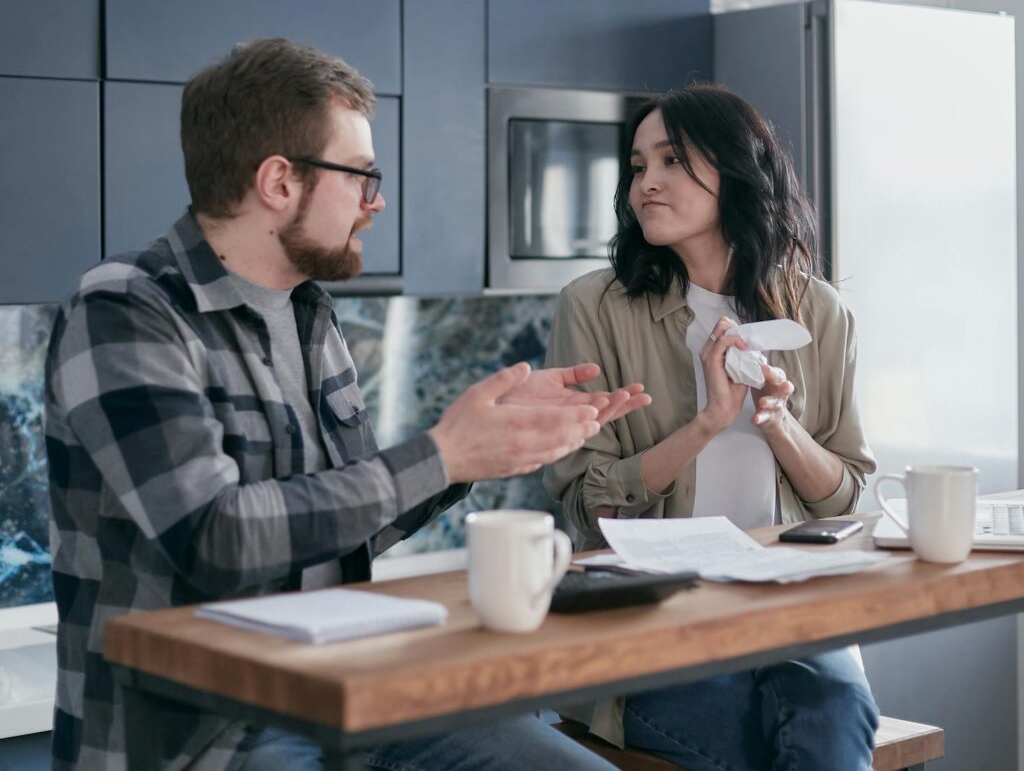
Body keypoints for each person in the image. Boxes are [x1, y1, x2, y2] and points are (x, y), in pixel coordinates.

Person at [45, 38, 650, 771]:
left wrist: (488, 444)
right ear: (278, 181)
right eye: (362, 175)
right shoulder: (126, 309)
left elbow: (342, 519)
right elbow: (214, 536)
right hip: (202, 732)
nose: (377, 200)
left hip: (348, 695)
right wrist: (444, 452)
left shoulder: (309, 312)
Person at [543, 84, 880, 770]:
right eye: (638, 166)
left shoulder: (818, 312)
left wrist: (777, 419)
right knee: (756, 738)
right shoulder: (593, 308)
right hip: (656, 624)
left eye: (672, 161)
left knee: (836, 707)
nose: (648, 184)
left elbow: (846, 500)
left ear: (736, 171)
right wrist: (707, 423)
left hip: (793, 613)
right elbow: (583, 503)